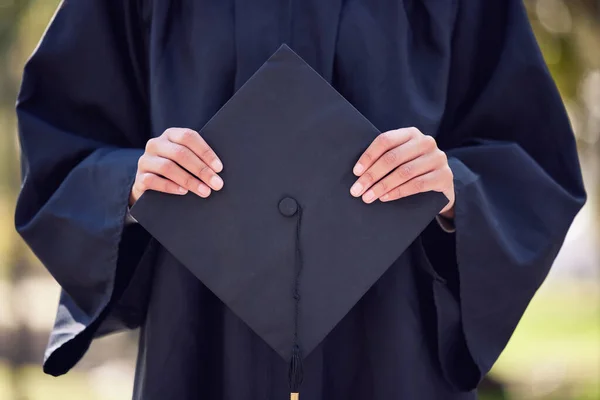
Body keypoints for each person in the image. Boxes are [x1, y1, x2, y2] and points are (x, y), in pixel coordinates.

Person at [15, 1, 585, 399]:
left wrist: (455, 187)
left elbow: (527, 157)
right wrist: (132, 180)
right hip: (198, 338)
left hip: (393, 339)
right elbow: (65, 138)